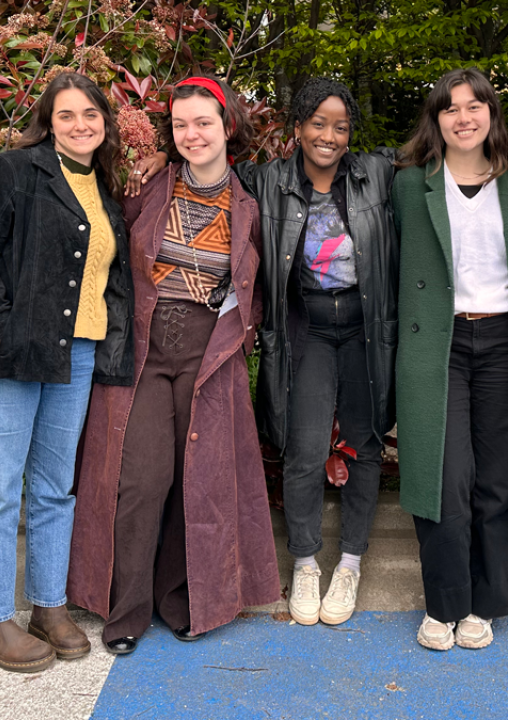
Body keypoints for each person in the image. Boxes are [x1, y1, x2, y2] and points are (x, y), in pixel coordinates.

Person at [131, 78, 398, 627]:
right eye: (317, 123)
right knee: (302, 447)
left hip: (367, 326)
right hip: (307, 325)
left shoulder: (378, 175)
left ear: (352, 133)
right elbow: (208, 165)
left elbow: (430, 156)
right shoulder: (269, 181)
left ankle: (348, 562)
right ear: (297, 128)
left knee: (365, 443)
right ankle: (304, 561)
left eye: (340, 125)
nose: (328, 135)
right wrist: (162, 150)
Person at [68, 75, 280, 654]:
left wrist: (242, 329)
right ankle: (127, 610)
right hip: (144, 350)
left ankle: (182, 600)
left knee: (200, 480)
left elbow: (257, 285)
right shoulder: (147, 188)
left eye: (203, 122)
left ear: (226, 126)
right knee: (140, 479)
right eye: (181, 124)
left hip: (210, 354)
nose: (192, 134)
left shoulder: (252, 204)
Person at [0, 72, 133, 672]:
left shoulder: (103, 186)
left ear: (105, 122)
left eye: (91, 115)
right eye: (67, 115)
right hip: (7, 354)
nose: (81, 125)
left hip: (73, 354)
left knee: (56, 487)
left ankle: (47, 607)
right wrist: (1, 325)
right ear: (48, 122)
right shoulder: (15, 171)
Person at [392, 67, 508, 651]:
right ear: (436, 120)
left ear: (491, 113)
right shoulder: (410, 184)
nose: (463, 117)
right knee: (443, 474)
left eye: (474, 105)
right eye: (450, 108)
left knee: (498, 480)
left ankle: (486, 602)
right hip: (438, 344)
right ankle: (443, 603)